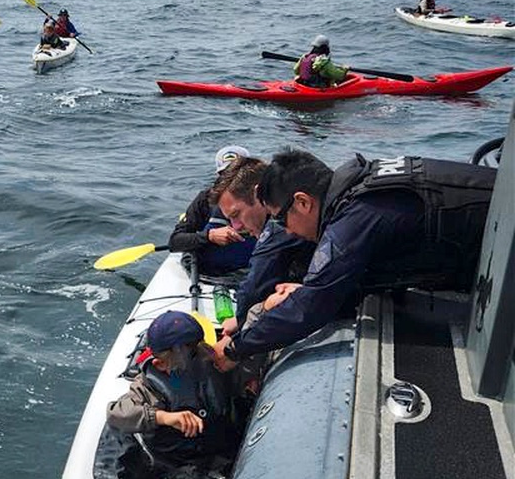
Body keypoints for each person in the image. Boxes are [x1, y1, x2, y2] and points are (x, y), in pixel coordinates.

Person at [212, 148, 497, 371]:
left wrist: (236, 349)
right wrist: (312, 289)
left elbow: (312, 309)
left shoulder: (355, 218)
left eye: (282, 220)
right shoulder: (361, 186)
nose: (286, 231)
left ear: (303, 202)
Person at [208, 155, 315, 335]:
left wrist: (240, 322)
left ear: (260, 195)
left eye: (236, 214)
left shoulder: (280, 226)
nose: (236, 227)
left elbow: (253, 289)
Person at [107, 310, 237, 458]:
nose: (197, 358)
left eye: (195, 351)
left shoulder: (209, 361)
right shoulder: (148, 385)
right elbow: (116, 414)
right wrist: (163, 417)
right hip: (177, 454)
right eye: (186, 357)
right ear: (160, 364)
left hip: (219, 437)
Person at [168, 145, 257, 275]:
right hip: (212, 274)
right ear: (218, 176)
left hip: (251, 272)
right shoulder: (205, 199)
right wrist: (209, 236)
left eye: (236, 175)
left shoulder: (262, 201)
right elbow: (175, 242)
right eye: (225, 175)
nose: (230, 181)